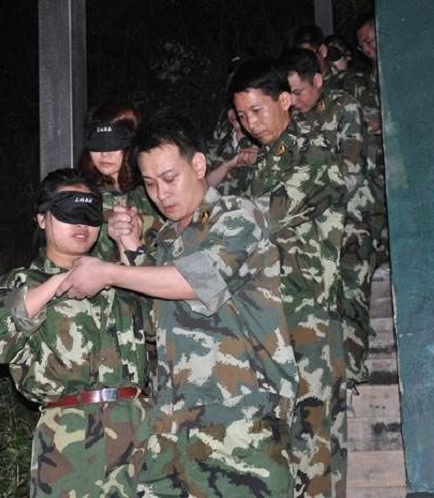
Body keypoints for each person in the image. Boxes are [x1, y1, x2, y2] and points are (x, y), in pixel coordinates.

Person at [57, 108, 299, 497]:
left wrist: (109, 272)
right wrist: (131, 247)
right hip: (171, 427)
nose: (161, 194)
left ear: (199, 165)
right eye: (150, 184)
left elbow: (197, 281)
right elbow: (155, 317)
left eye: (170, 179)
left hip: (239, 426)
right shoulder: (168, 239)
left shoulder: (238, 217)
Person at [0, 168, 153, 497]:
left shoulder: (118, 276)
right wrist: (59, 282)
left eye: (89, 214)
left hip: (139, 430)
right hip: (69, 437)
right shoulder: (24, 282)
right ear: (42, 219)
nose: (81, 225)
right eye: (68, 213)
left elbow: (168, 320)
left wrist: (131, 248)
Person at [228, 58, 350, 498]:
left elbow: (263, 217)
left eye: (257, 111)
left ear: (285, 101)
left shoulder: (315, 154)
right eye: (242, 116)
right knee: (277, 441)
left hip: (307, 318)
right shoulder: (263, 164)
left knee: (314, 440)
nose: (250, 124)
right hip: (267, 318)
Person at [282, 47, 377, 386]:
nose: (294, 101)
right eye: (288, 94)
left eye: (299, 92)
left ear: (318, 81)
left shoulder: (344, 107)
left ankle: (351, 371)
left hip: (349, 219)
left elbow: (351, 171)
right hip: (306, 228)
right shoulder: (289, 120)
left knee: (350, 292)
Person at [78, 102, 163, 263]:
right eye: (98, 144)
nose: (105, 154)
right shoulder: (81, 195)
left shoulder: (154, 190)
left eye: (113, 143)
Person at [355, 13, 390, 266]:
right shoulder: (372, 74)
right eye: (363, 46)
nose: (367, 50)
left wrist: (383, 124)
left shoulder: (401, 66)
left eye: (369, 41)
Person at [205, 105, 260, 195]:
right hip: (213, 203)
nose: (234, 113)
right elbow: (202, 187)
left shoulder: (263, 146)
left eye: (238, 108)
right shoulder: (214, 148)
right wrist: (227, 166)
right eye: (231, 107)